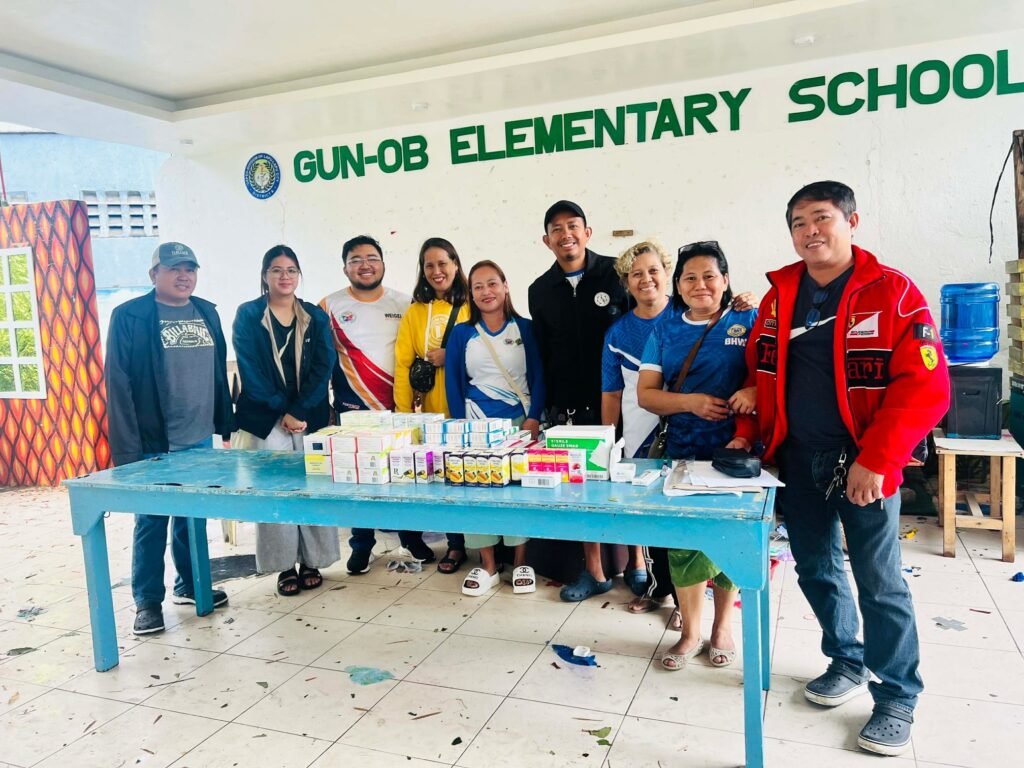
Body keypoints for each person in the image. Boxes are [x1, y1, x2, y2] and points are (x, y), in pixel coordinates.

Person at [729, 181, 950, 756]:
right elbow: (760, 368)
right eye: (799, 223)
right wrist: (751, 416)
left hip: (864, 463)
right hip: (796, 459)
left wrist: (877, 459)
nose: (810, 232)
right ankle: (846, 659)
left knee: (880, 581)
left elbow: (926, 389)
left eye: (822, 218)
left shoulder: (893, 292)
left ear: (851, 222)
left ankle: (897, 695)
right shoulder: (780, 295)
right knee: (817, 569)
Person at [602, 240, 758, 625]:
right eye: (690, 278)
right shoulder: (664, 331)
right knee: (683, 540)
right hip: (681, 449)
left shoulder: (749, 319)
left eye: (709, 276)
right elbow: (646, 395)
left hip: (736, 450)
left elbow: (777, 374)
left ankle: (722, 629)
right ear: (680, 284)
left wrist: (755, 392)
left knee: (728, 537)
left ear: (726, 280)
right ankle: (689, 628)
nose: (700, 284)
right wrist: (691, 403)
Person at [105, 241, 234, 635]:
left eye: (190, 269)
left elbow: (217, 372)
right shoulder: (131, 316)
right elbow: (118, 383)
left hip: (199, 436)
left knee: (192, 515)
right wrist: (127, 450)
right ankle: (147, 601)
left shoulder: (207, 312)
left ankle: (190, 584)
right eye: (174, 268)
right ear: (153, 274)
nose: (183, 276)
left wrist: (223, 424)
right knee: (151, 520)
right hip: (154, 441)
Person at [528, 200, 630, 600]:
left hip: (622, 404)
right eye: (556, 229)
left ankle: (638, 565)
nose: (565, 234)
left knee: (629, 483)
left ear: (587, 232)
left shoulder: (617, 273)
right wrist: (544, 412)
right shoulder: (540, 290)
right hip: (569, 410)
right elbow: (542, 356)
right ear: (546, 240)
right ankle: (594, 571)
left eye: (573, 226)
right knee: (581, 489)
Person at [233, 245, 338, 596]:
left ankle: (313, 560)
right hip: (266, 416)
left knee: (314, 486)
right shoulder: (248, 315)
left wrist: (300, 410)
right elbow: (250, 370)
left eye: (291, 270)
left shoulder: (314, 316)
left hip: (309, 415)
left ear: (299, 275)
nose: (284, 276)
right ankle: (283, 565)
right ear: (265, 275)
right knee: (275, 488)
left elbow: (325, 365)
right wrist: (284, 410)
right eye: (276, 270)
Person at [319, 235, 423, 576]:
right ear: (345, 268)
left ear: (382, 263)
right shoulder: (328, 306)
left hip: (399, 409)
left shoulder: (405, 302)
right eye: (356, 259)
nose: (365, 265)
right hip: (353, 410)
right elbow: (321, 360)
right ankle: (361, 545)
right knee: (356, 481)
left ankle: (412, 538)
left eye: (371, 258)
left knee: (404, 477)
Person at [446, 260, 545, 596]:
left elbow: (539, 376)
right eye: (478, 286)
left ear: (505, 286)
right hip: (475, 426)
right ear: (471, 294)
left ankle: (520, 562)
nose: (486, 291)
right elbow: (453, 384)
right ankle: (487, 564)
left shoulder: (525, 329)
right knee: (475, 494)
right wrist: (460, 427)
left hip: (519, 424)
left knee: (517, 493)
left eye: (492, 284)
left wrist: (534, 417)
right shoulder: (462, 333)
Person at [393, 237, 471, 573]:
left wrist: (449, 354)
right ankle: (449, 543)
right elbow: (403, 363)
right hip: (428, 412)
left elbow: (487, 350)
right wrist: (402, 414)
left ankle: (472, 544)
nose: (437, 271)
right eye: (429, 265)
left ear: (455, 264)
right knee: (440, 478)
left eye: (443, 263)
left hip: (468, 408)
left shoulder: (473, 304)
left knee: (467, 476)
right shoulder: (414, 312)